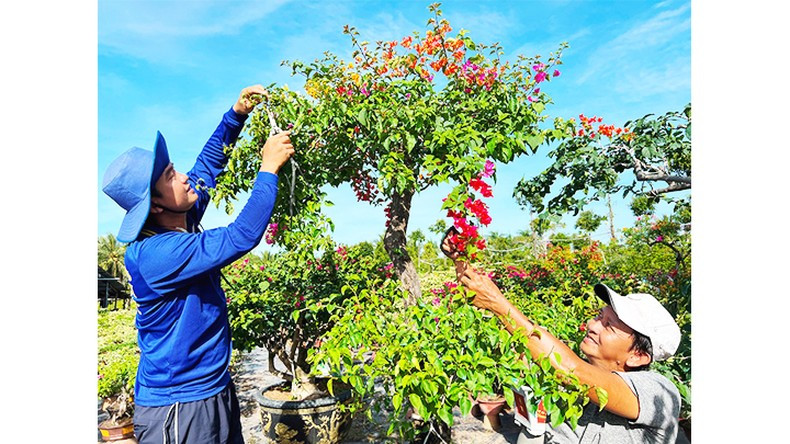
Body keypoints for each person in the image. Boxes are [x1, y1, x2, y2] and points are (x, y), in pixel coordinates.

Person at [102, 85, 294, 444]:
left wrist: (236, 116)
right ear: (155, 206)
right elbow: (241, 236)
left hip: (213, 387)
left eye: (175, 169)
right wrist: (268, 169)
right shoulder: (155, 254)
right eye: (170, 177)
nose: (184, 177)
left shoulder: (181, 216)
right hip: (178, 404)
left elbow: (207, 167)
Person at [442, 235, 684, 444]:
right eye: (599, 316)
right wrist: (461, 259)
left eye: (608, 325)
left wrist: (497, 302)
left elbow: (569, 369)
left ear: (638, 356)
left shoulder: (658, 391)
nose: (592, 325)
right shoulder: (566, 384)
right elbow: (518, 337)